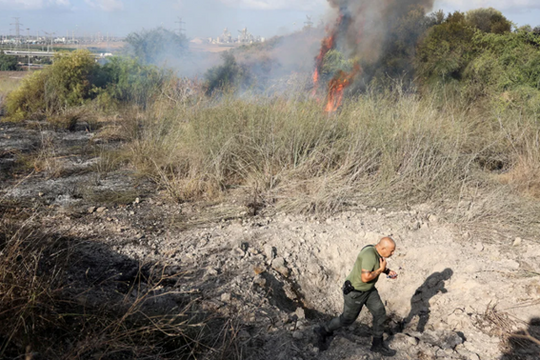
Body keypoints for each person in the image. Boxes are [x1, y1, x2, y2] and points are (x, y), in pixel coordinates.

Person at [314, 236, 398, 356]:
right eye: (392, 250)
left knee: (380, 312)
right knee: (347, 319)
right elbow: (365, 278)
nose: (393, 253)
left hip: (369, 291)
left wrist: (387, 271)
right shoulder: (369, 255)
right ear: (383, 248)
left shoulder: (377, 251)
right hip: (356, 292)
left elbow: (376, 266)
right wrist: (380, 270)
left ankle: (377, 345)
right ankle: (324, 330)